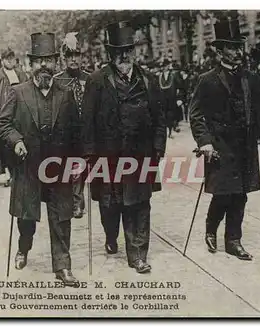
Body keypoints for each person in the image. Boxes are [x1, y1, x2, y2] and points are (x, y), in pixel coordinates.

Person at [81, 21, 167, 273]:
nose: (124, 56)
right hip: (107, 157)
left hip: (140, 156)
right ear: (110, 54)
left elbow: (159, 118)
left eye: (128, 50)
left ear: (134, 52)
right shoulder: (97, 81)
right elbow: (87, 121)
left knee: (139, 204)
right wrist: (88, 155)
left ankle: (138, 254)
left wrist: (158, 147)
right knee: (110, 206)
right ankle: (111, 235)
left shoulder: (148, 80)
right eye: (118, 51)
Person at [0, 32, 81, 287]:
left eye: (48, 60)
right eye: (39, 61)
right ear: (30, 64)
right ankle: (23, 248)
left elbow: (76, 131)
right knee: (26, 218)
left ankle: (63, 266)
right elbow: (3, 124)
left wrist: (78, 163)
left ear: (56, 62)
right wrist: (17, 141)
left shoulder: (65, 94)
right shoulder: (18, 92)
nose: (44, 65)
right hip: (29, 167)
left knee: (61, 218)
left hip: (58, 168)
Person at [188, 13, 260, 260]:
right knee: (224, 193)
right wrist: (204, 142)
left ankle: (233, 241)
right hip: (219, 146)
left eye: (239, 48)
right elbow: (195, 115)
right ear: (220, 51)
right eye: (232, 48)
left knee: (241, 194)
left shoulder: (250, 78)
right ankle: (211, 228)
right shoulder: (206, 81)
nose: (237, 53)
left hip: (245, 145)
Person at [54, 31, 90, 219]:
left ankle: (78, 201)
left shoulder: (90, 78)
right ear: (64, 58)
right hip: (65, 133)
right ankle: (74, 201)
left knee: (79, 171)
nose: (74, 60)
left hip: (85, 132)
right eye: (70, 56)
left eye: (77, 55)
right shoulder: (58, 80)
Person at [0, 48, 27, 187]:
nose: (10, 61)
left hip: (20, 112)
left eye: (12, 58)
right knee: (6, 145)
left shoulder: (21, 74)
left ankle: (19, 173)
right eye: (7, 58)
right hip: (5, 113)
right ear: (2, 61)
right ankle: (10, 174)